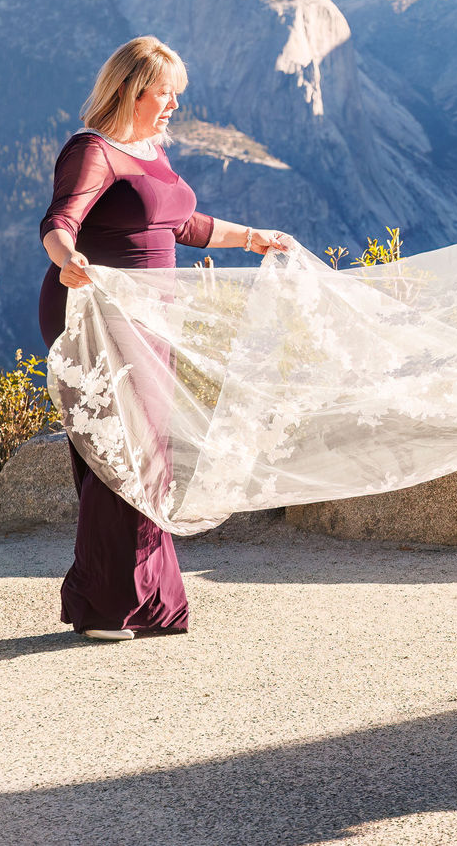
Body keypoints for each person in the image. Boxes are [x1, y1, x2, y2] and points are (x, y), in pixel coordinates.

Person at [38, 37, 290, 641]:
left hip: (153, 314)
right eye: (164, 91)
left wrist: (254, 237)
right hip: (97, 309)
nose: (174, 102)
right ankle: (105, 604)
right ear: (130, 89)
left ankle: (148, 601)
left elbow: (184, 225)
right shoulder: (92, 150)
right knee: (121, 447)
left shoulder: (150, 151)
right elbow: (60, 220)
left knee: (150, 447)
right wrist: (68, 259)